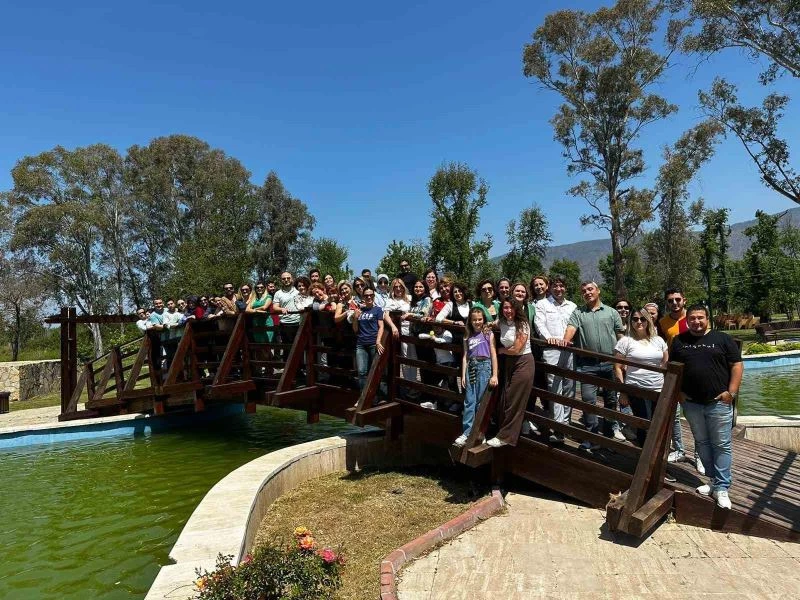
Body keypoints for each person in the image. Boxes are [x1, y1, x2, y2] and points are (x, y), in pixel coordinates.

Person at [670, 304, 743, 510]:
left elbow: (737, 365)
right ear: (687, 320)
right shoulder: (679, 341)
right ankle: (713, 481)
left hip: (718, 402)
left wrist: (731, 393)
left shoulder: (722, 339)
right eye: (692, 318)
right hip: (691, 403)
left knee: (721, 444)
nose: (696, 322)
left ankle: (722, 487)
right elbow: (673, 369)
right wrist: (679, 393)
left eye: (700, 317)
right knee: (701, 442)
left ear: (707, 318)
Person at [555, 281, 626, 448]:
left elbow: (621, 336)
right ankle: (592, 436)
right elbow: (571, 329)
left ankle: (607, 437)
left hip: (610, 363)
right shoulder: (578, 312)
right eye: (584, 291)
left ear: (598, 290)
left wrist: (624, 360)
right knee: (588, 400)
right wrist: (566, 340)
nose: (587, 292)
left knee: (610, 401)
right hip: (587, 365)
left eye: (590, 289)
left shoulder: (612, 312)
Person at [657, 288, 700, 473]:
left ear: (684, 300)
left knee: (697, 417)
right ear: (666, 303)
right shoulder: (663, 323)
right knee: (673, 415)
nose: (674, 303)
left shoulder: (693, 319)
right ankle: (680, 450)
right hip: (673, 373)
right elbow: (660, 346)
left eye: (677, 299)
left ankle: (700, 456)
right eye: (670, 301)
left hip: (694, 372)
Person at [613, 308, 668, 446]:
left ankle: (656, 457)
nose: (639, 322)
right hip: (637, 389)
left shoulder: (658, 340)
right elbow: (618, 368)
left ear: (648, 320)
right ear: (631, 321)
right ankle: (644, 457)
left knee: (659, 423)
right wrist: (623, 391)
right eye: (635, 319)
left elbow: (665, 364)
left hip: (658, 388)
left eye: (642, 319)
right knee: (644, 423)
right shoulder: (626, 341)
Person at [487, 299, 535, 448]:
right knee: (505, 397)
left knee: (514, 399)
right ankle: (502, 431)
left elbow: (517, 349)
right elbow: (490, 325)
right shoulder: (501, 322)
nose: (508, 311)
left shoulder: (523, 324)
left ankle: (506, 437)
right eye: (505, 308)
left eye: (511, 308)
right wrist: (486, 327)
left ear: (517, 309)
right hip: (509, 363)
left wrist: (499, 350)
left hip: (523, 362)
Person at [537, 274, 577, 443]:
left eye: (561, 286)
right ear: (550, 287)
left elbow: (576, 326)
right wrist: (548, 338)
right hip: (552, 349)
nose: (558, 289)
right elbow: (539, 325)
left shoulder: (573, 306)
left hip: (569, 350)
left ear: (565, 287)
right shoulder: (542, 304)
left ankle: (566, 423)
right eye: (555, 286)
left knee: (569, 386)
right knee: (555, 387)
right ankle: (557, 426)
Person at [455, 307, 498, 447]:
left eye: (480, 319)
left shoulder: (488, 333)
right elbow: (465, 356)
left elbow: (493, 354)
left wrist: (495, 374)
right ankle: (467, 433)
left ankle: (480, 433)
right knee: (469, 401)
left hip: (484, 367)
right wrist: (463, 374)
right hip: (471, 367)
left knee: (481, 402)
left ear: (483, 319)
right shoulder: (467, 335)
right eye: (474, 320)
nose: (477, 322)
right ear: (470, 320)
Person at [352, 288, 384, 391]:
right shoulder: (360, 310)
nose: (369, 297)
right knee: (361, 372)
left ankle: (374, 395)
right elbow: (355, 329)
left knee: (373, 371)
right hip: (361, 344)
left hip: (373, 343)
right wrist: (355, 318)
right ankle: (363, 396)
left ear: (374, 296)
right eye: (366, 295)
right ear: (363, 297)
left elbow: (381, 326)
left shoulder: (378, 309)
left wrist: (378, 341)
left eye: (371, 295)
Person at [273, 272, 301, 352]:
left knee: (299, 348)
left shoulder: (298, 290)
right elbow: (275, 307)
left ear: (292, 279)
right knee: (287, 349)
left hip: (298, 322)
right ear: (281, 280)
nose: (286, 280)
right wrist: (281, 309)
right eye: (284, 278)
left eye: (288, 278)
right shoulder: (278, 293)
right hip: (285, 323)